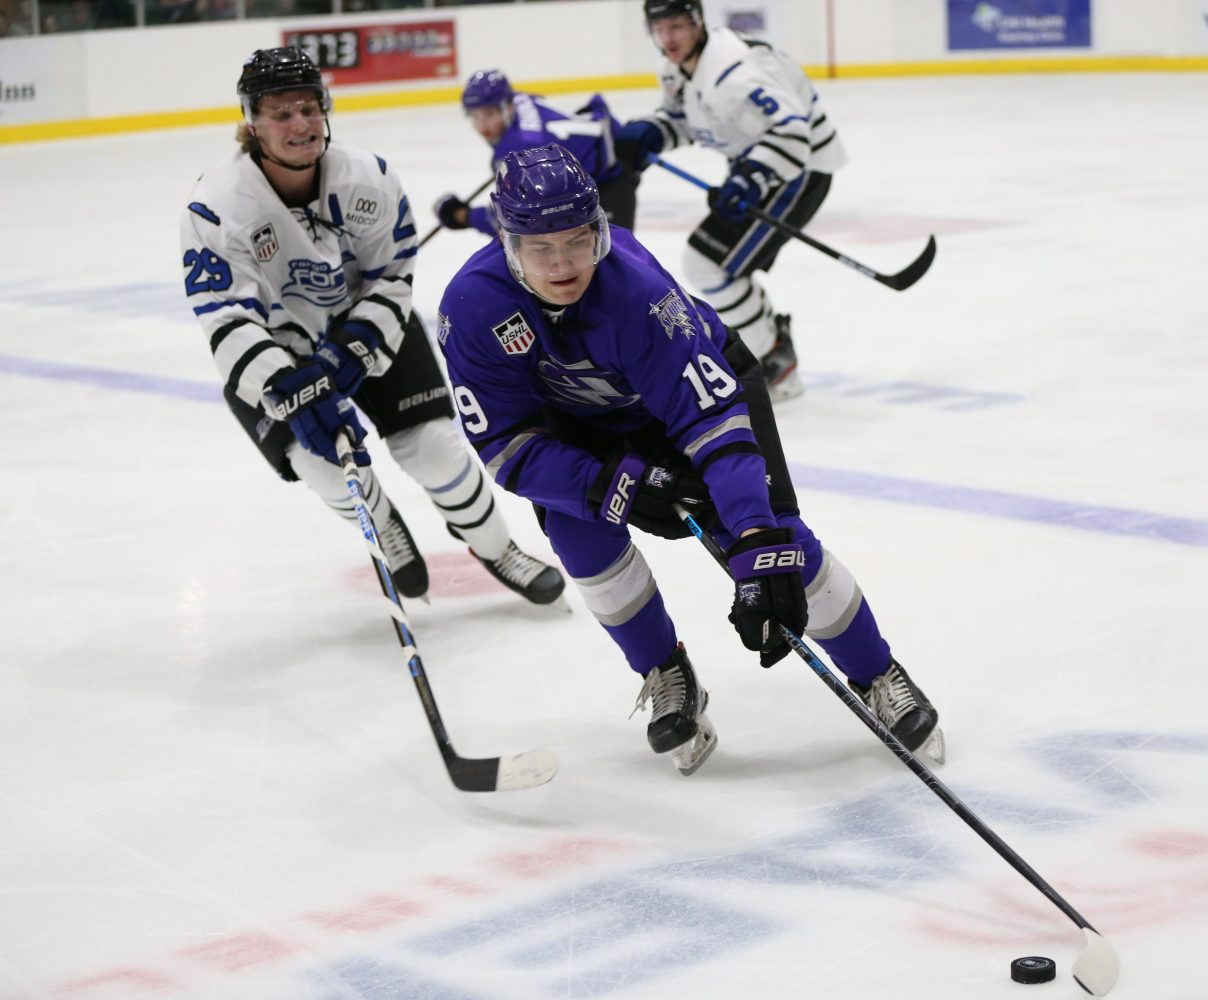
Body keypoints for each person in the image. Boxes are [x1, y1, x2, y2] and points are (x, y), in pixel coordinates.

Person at [436, 144, 942, 776]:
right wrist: (606, 484)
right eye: (541, 248)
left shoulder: (637, 290)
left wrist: (757, 536)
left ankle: (878, 672)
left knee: (777, 546)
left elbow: (709, 420)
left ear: (598, 228)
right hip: (587, 433)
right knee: (579, 537)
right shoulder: (472, 309)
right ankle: (665, 669)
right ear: (508, 244)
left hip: (702, 403)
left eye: (577, 239)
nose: (564, 263)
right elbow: (505, 445)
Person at [180, 47, 564, 607]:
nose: (300, 125)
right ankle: (381, 524)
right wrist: (282, 386)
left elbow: (392, 276)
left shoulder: (370, 179)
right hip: (279, 356)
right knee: (326, 467)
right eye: (282, 114)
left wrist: (355, 348)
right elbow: (225, 314)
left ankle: (495, 545)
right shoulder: (216, 206)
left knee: (435, 449)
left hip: (363, 329)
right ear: (252, 122)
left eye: (309, 108)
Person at [612, 0, 847, 402]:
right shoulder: (676, 67)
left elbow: (793, 134)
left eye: (677, 27)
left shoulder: (736, 71)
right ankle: (772, 348)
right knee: (711, 263)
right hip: (760, 166)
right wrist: (655, 131)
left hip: (797, 170)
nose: (668, 39)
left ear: (698, 22)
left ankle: (774, 361)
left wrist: (751, 179)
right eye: (660, 29)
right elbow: (696, 120)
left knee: (709, 263)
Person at [431, 69, 641, 239]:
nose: (482, 125)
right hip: (596, 156)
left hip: (609, 184)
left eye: (489, 114)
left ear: (508, 107)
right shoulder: (520, 100)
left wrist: (462, 216)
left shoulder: (519, 147)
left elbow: (517, 218)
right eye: (475, 116)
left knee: (605, 261)